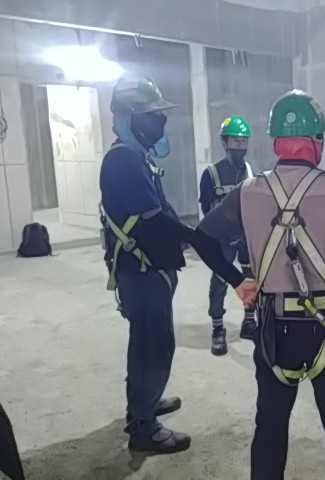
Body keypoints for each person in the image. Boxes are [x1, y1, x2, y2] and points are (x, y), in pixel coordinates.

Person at [189, 89, 325, 480]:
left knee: (270, 428)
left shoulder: (247, 192)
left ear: (275, 142)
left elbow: (202, 239)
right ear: (317, 142)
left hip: (274, 329)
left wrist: (238, 281)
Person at [99, 76, 193, 454]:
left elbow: (157, 210)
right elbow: (154, 218)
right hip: (140, 271)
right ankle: (143, 427)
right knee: (153, 344)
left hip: (145, 269)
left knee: (146, 341)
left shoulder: (136, 157)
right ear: (131, 117)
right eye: (153, 115)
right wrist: (198, 237)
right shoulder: (124, 160)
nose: (160, 122)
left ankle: (144, 402)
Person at [199, 115, 257, 356]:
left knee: (251, 277)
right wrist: (224, 232)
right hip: (224, 239)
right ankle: (217, 328)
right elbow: (207, 210)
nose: (240, 146)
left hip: (246, 237)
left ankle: (249, 321)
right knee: (220, 281)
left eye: (244, 141)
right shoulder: (211, 174)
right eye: (235, 141)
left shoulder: (250, 171)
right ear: (224, 142)